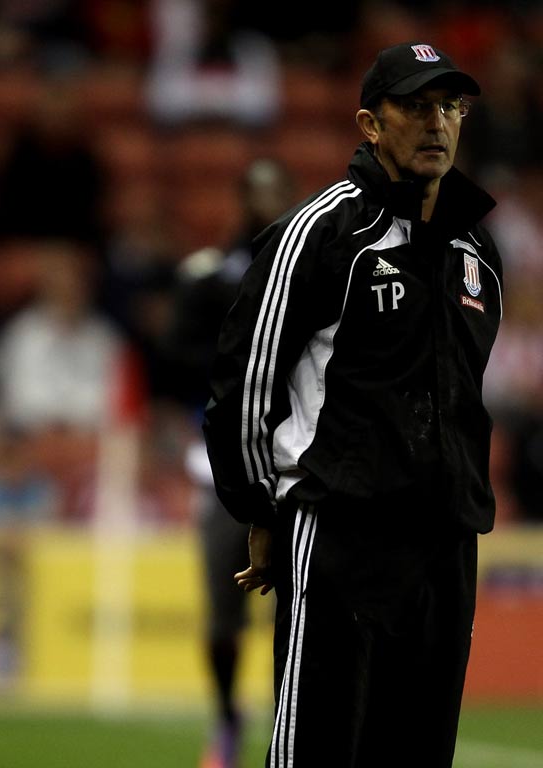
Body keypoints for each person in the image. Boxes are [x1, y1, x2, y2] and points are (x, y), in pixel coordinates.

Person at [203, 43, 501, 767]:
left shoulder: (477, 250)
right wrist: (260, 510)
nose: (437, 124)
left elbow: (464, 398)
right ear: (371, 123)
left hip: (445, 546)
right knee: (318, 750)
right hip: (342, 534)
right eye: (417, 107)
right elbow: (245, 381)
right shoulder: (321, 234)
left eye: (450, 107)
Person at [166, 158, 296, 768]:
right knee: (225, 612)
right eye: (258, 193)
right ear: (240, 201)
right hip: (221, 469)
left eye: (278, 192)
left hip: (294, 464)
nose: (267, 203)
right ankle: (224, 715)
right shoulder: (211, 275)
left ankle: (289, 720)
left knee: (298, 611)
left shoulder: (312, 272)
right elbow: (175, 356)